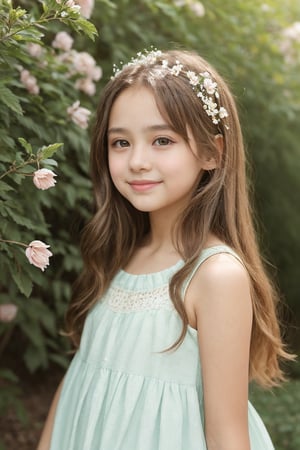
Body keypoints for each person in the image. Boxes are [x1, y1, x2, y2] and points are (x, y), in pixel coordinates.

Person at [37, 49, 293, 450]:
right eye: (120, 142)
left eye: (162, 140)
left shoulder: (215, 276)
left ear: (212, 152)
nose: (137, 161)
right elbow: (80, 378)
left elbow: (226, 434)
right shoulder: (118, 253)